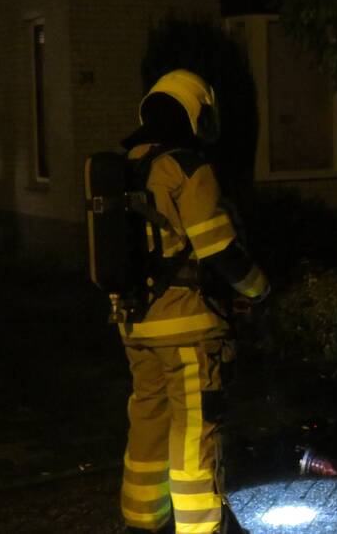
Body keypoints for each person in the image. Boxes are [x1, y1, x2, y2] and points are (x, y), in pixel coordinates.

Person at [117, 69, 269, 534]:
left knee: (148, 422)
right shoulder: (186, 167)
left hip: (137, 324)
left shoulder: (128, 164)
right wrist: (259, 289)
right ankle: (201, 528)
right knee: (193, 435)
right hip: (186, 326)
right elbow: (218, 247)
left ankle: (143, 522)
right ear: (195, 114)